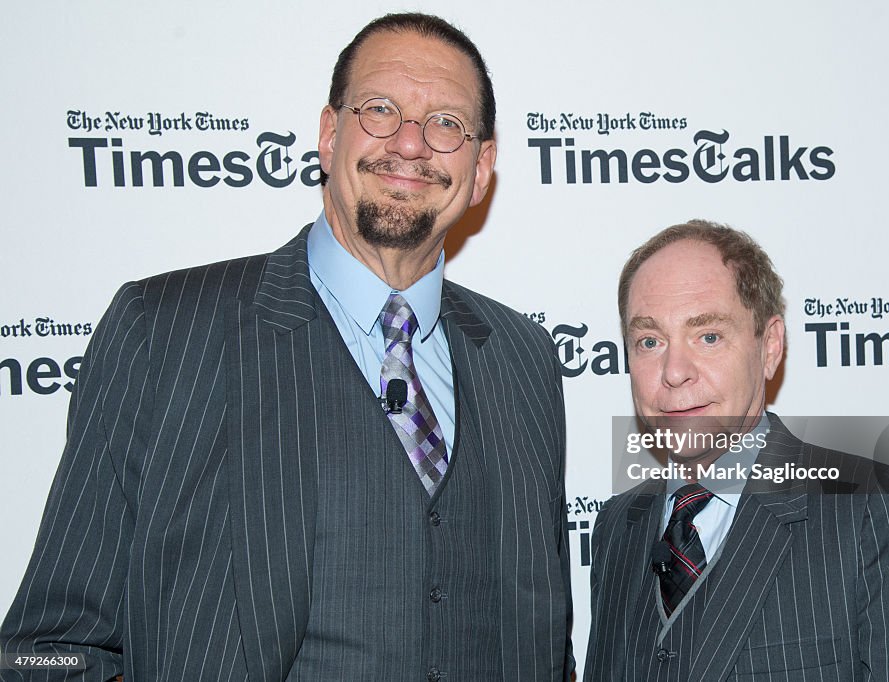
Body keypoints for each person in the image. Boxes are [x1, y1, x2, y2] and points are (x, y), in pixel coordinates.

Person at [1, 13, 573, 681]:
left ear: (481, 170)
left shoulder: (524, 360)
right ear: (330, 137)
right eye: (380, 109)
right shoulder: (164, 332)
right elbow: (49, 649)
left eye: (447, 123)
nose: (411, 144)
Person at [584, 220, 889, 680]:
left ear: (770, 346)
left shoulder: (874, 508)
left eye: (708, 336)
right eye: (650, 342)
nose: (674, 371)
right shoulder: (618, 525)